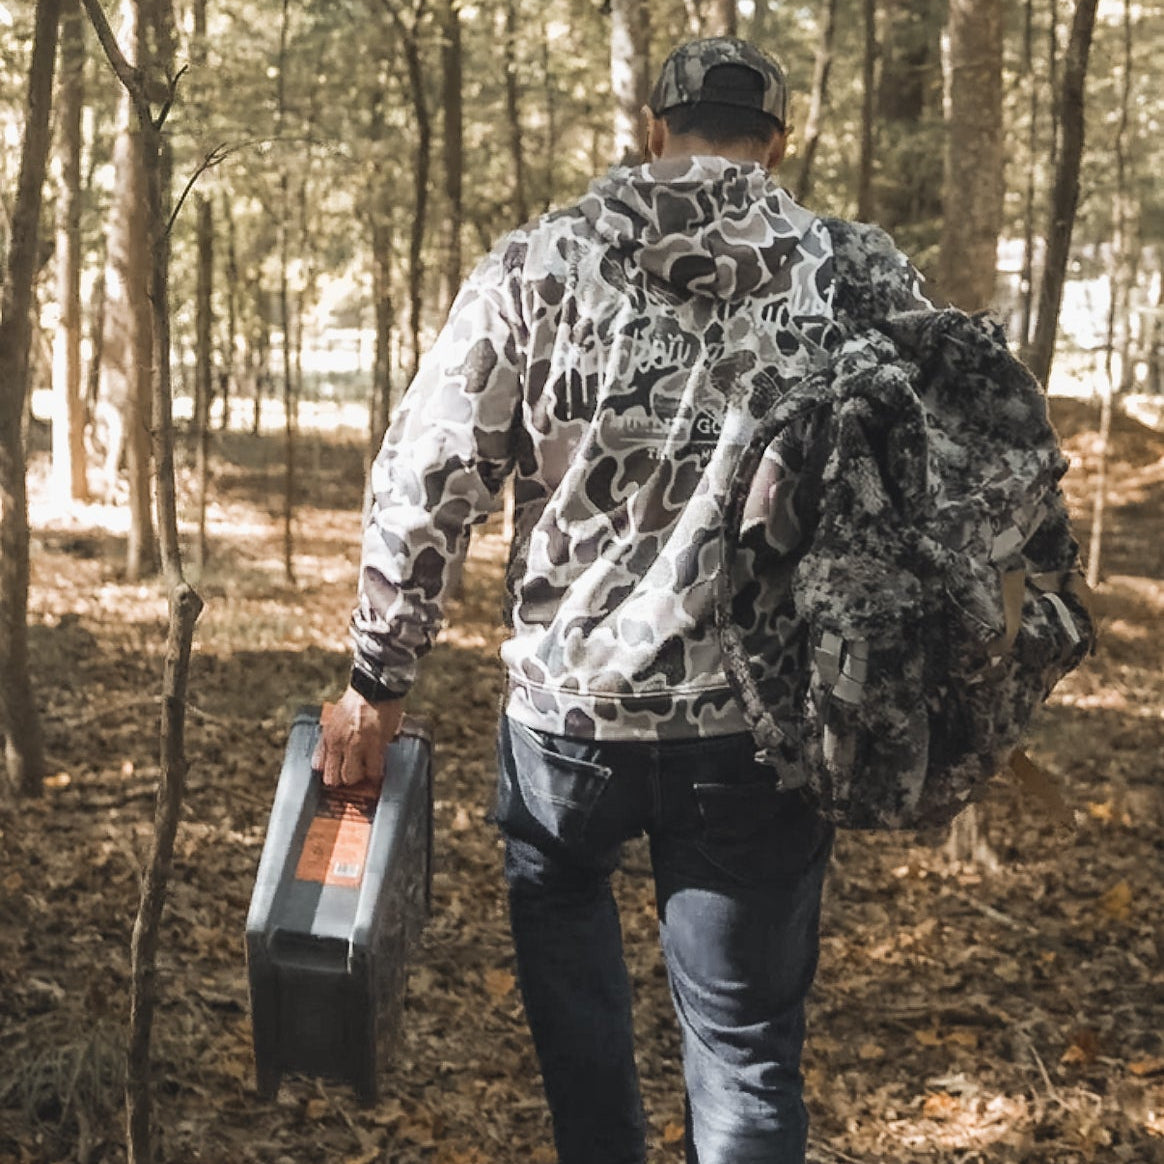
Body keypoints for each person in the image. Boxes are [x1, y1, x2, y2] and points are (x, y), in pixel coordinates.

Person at [314, 36, 923, 1164]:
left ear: (656, 130)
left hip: (569, 726)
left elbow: (427, 478)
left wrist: (376, 679)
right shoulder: (848, 274)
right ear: (776, 146)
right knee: (744, 1053)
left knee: (582, 1045)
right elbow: (936, 466)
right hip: (758, 730)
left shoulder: (539, 264)